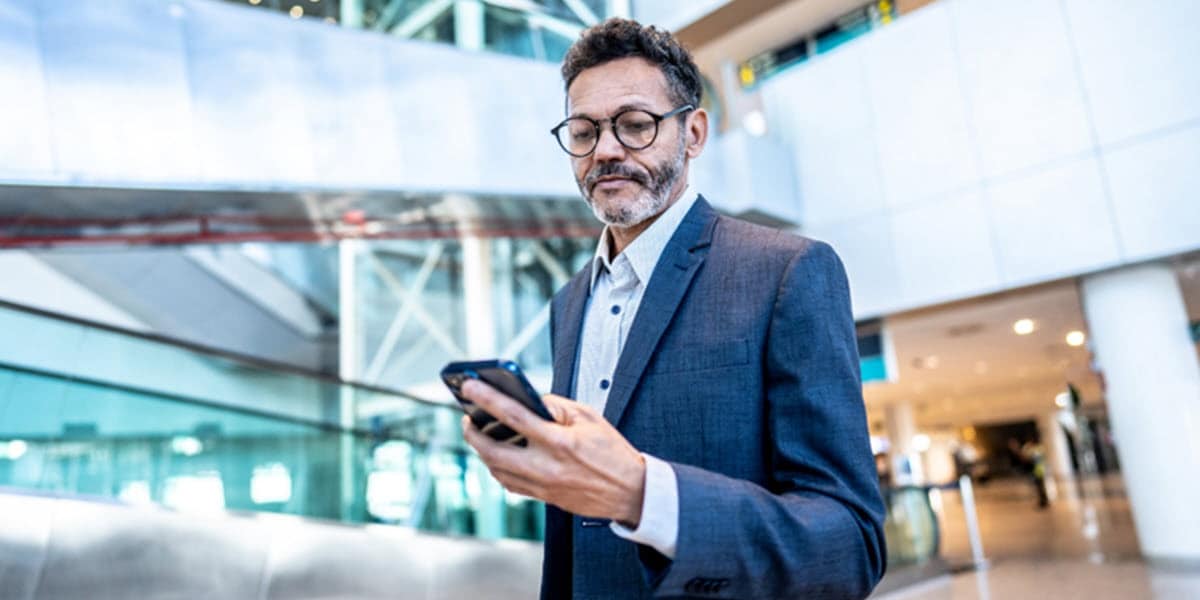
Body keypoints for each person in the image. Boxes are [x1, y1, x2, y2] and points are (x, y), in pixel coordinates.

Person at [460, 18, 886, 599]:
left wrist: (642, 494)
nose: (606, 150)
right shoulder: (569, 303)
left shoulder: (787, 272)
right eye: (583, 132)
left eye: (635, 125)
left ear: (694, 134)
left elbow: (850, 544)